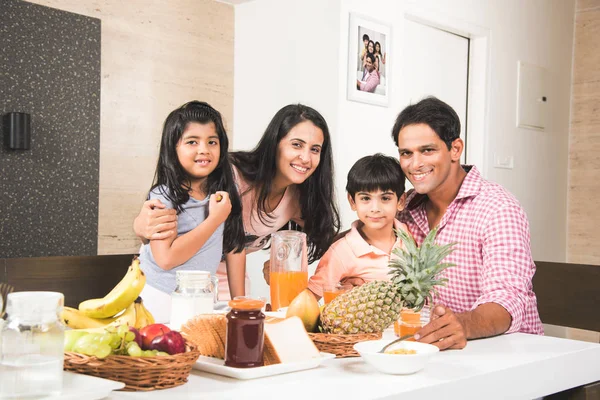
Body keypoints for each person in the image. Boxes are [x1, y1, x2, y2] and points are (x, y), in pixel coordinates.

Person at [134, 104, 340, 300]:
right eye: (296, 145)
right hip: (172, 276)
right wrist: (140, 226)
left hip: (227, 276)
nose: (305, 158)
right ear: (274, 143)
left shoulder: (297, 200)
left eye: (315, 149)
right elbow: (177, 203)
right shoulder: (230, 174)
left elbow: (329, 239)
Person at [391, 96, 543, 350]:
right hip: (435, 353)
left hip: (509, 355)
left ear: (455, 149)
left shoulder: (498, 208)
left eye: (427, 150)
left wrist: (463, 324)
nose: (415, 164)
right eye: (406, 153)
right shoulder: (403, 209)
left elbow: (508, 297)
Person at [137, 101, 245, 322]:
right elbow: (165, 259)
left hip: (199, 300)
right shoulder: (162, 197)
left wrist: (241, 304)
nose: (204, 149)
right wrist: (214, 220)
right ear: (173, 149)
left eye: (212, 142)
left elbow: (235, 248)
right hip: (158, 300)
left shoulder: (222, 195)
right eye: (192, 142)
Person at [307, 154, 410, 300]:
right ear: (352, 201)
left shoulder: (410, 237)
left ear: (400, 201)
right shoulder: (341, 251)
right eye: (366, 198)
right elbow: (310, 297)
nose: (375, 208)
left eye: (385, 198)